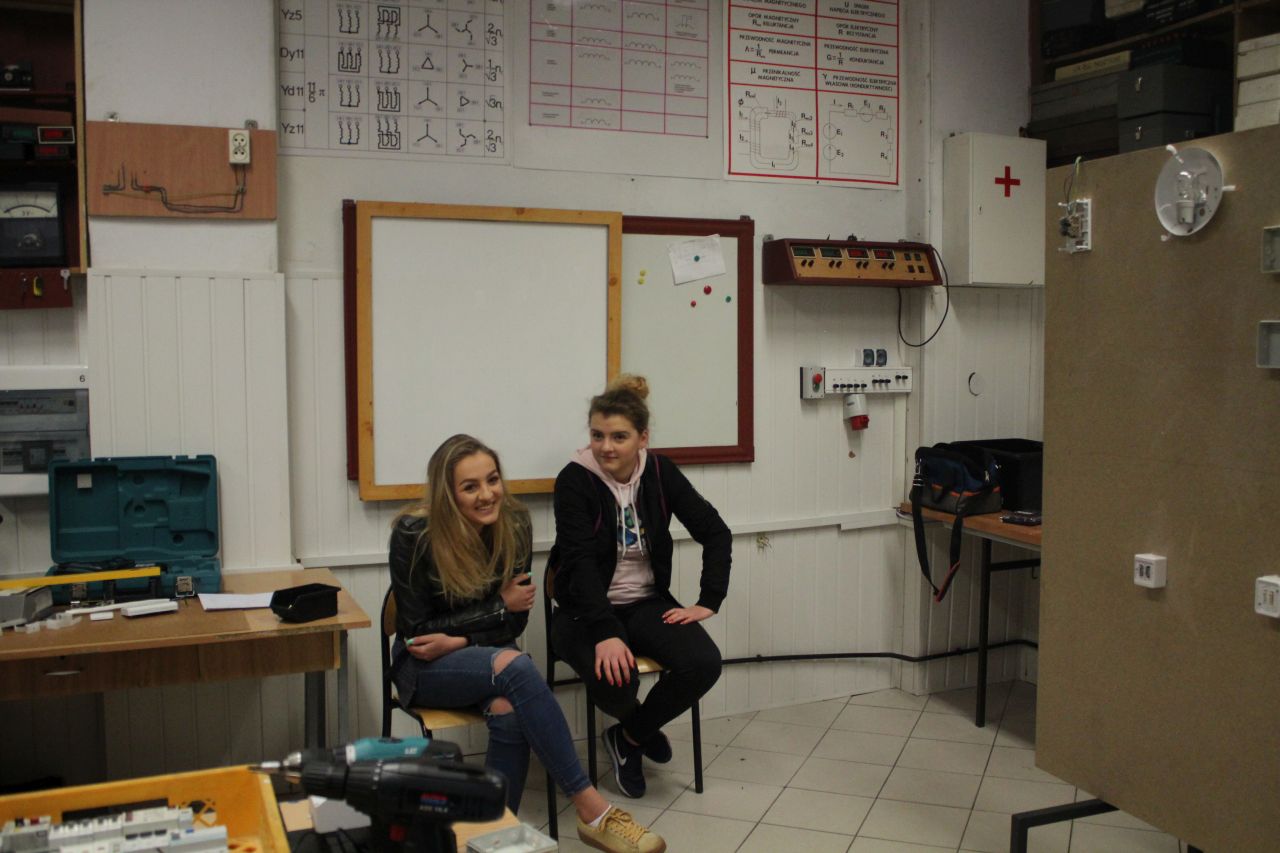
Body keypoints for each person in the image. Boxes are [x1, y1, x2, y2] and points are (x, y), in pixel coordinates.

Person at [388, 434, 666, 853]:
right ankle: (592, 809)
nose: (487, 494)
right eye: (470, 487)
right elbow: (417, 633)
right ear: (447, 494)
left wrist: (461, 635)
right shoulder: (414, 533)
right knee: (516, 666)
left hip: (489, 659)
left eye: (492, 479)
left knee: (509, 711)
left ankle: (492, 836)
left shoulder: (515, 523)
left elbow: (516, 620)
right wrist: (498, 606)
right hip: (423, 666)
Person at [550, 375, 731, 799]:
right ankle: (640, 727)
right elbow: (578, 563)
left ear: (642, 438)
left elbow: (715, 531)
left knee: (703, 663)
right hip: (582, 611)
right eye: (597, 435)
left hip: (646, 602)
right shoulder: (574, 480)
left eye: (619, 436)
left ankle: (628, 738)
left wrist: (709, 599)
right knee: (616, 680)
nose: (606, 447)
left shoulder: (660, 472)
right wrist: (605, 632)